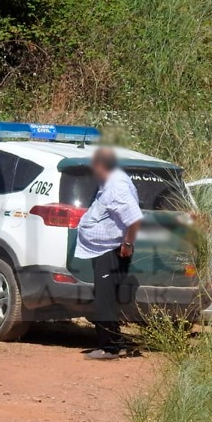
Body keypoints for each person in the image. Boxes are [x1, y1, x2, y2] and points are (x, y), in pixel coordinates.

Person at [75, 147, 143, 360]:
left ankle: (108, 348)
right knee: (107, 297)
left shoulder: (116, 185)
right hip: (106, 248)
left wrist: (128, 243)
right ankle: (114, 342)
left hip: (111, 250)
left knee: (104, 299)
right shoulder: (112, 181)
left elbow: (134, 218)